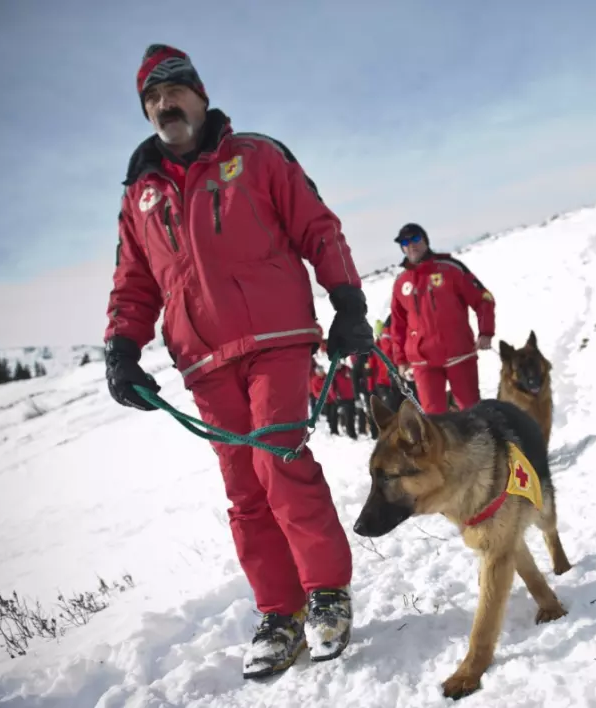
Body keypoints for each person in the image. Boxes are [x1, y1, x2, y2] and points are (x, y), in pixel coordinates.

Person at [102, 44, 374, 679]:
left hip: (275, 337)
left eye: (173, 89)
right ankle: (280, 612)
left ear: (199, 92)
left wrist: (349, 302)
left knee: (278, 460)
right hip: (202, 359)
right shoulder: (140, 194)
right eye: (152, 98)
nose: (164, 104)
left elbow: (317, 226)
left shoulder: (255, 155)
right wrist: (121, 347)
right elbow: (133, 280)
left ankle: (326, 593)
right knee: (244, 490)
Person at [389, 223, 495, 414]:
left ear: (425, 241)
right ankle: (445, 445)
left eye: (415, 239)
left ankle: (481, 444)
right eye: (405, 242)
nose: (411, 245)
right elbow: (397, 325)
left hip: (458, 353)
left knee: (472, 412)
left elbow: (483, 299)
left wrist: (486, 331)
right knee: (434, 418)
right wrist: (401, 360)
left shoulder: (451, 269)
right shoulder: (401, 283)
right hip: (423, 361)